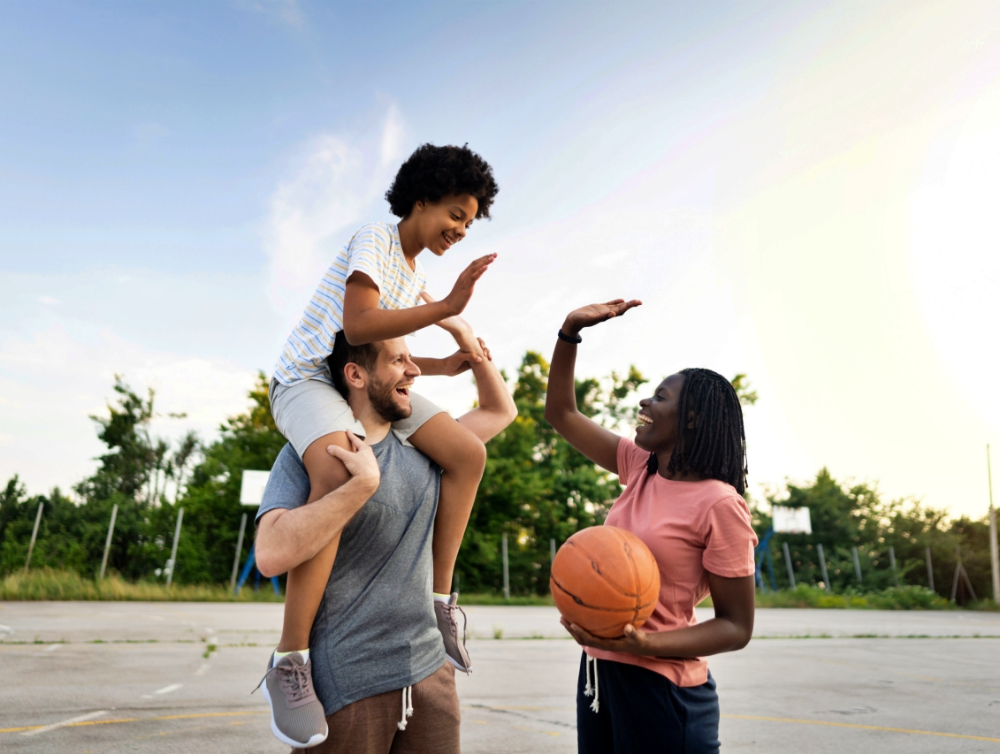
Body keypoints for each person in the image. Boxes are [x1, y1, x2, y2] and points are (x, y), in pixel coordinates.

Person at [265, 144, 500, 746]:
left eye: (469, 223)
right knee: (344, 471)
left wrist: (446, 364)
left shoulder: (412, 270)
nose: (460, 229)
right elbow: (357, 327)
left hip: (357, 373)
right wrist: (447, 306)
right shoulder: (377, 238)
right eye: (454, 213)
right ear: (419, 201)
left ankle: (439, 599)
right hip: (310, 375)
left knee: (467, 453)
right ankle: (290, 660)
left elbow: (383, 353)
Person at [254, 322, 516, 753]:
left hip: (430, 674)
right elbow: (269, 554)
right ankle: (287, 663)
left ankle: (441, 603)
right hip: (348, 682)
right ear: (356, 376)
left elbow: (498, 412)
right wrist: (358, 487)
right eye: (398, 361)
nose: (414, 371)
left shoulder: (425, 448)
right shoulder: (310, 454)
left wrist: (466, 338)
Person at [544, 300, 758, 754]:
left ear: (693, 420)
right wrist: (569, 333)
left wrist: (647, 644)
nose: (644, 401)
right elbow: (561, 414)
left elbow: (736, 627)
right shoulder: (640, 466)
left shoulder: (719, 504)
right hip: (600, 676)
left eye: (660, 397)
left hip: (663, 688)